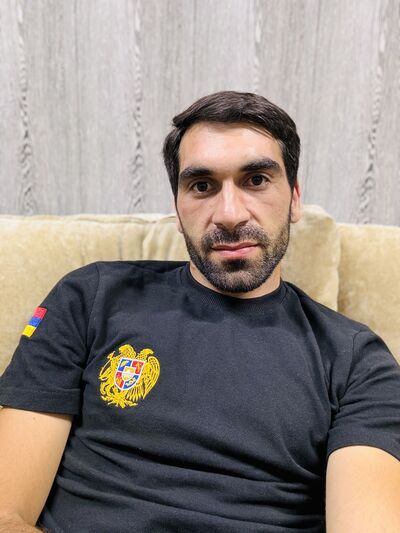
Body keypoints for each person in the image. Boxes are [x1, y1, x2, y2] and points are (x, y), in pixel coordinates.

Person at [0, 91, 399, 533]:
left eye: (256, 180)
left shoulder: (357, 361)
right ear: (177, 207)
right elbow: (7, 513)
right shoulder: (91, 298)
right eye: (202, 186)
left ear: (294, 198)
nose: (229, 215)